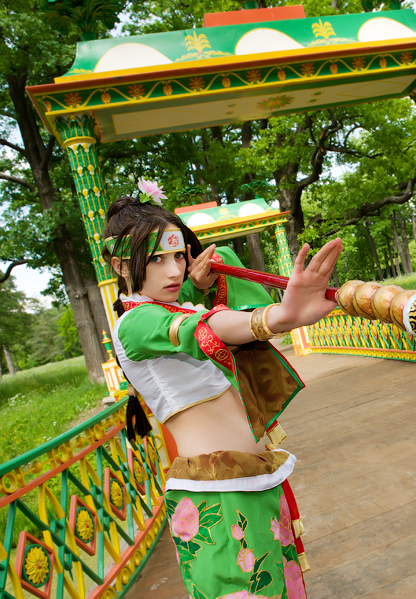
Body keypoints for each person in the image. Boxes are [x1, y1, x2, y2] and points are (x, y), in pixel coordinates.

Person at [102, 188, 342, 599]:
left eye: (178, 256)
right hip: (217, 494)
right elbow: (205, 328)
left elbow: (200, 313)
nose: (173, 270)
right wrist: (280, 315)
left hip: (250, 480)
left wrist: (202, 286)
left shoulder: (174, 306)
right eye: (156, 259)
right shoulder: (134, 323)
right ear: (122, 265)